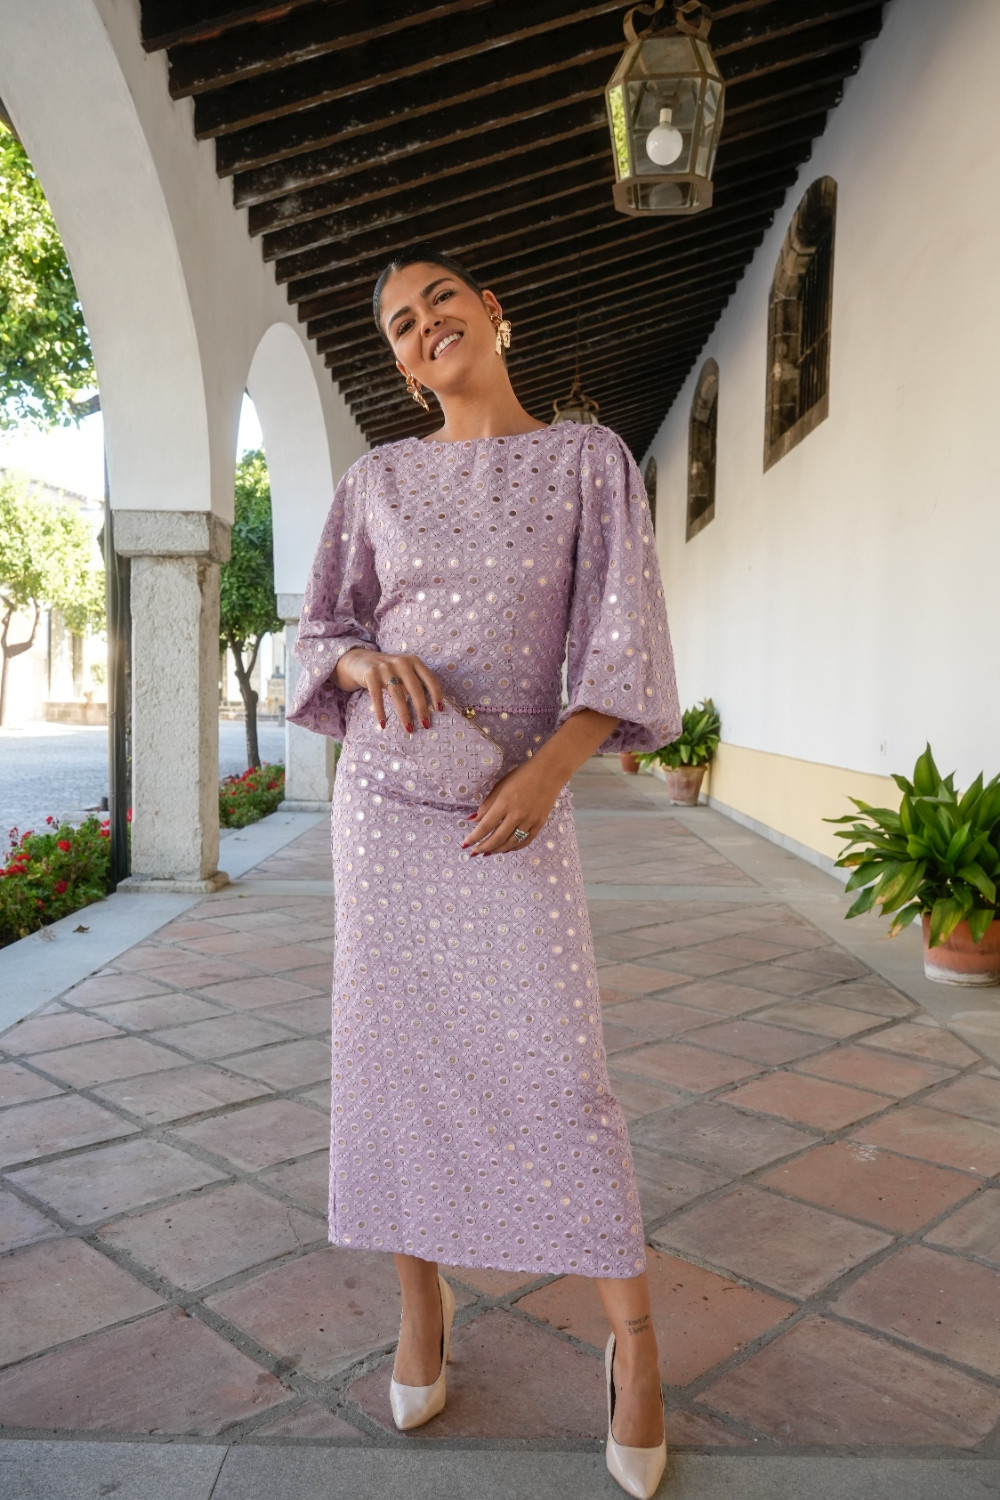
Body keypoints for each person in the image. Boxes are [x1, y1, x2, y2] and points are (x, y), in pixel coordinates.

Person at [288, 243, 681, 1499]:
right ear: (402, 368)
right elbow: (320, 629)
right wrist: (361, 665)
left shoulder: (588, 460)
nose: (424, 327)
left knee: (562, 1071)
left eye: (440, 300)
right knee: (395, 1055)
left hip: (515, 799)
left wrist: (551, 773)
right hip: (386, 805)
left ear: (492, 309)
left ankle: (634, 1345)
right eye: (401, 326)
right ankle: (421, 1304)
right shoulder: (376, 478)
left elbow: (620, 638)